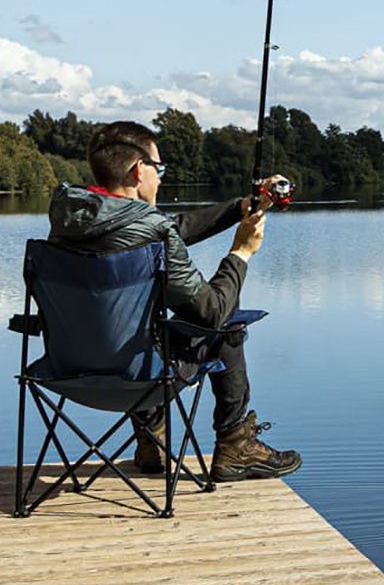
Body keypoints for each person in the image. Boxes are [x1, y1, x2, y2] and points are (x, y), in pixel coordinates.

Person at [46, 119, 301, 481]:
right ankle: (235, 444)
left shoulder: (68, 219)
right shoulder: (149, 229)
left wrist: (239, 207)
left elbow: (169, 228)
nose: (161, 177)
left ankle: (153, 441)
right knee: (227, 327)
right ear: (138, 171)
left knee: (135, 326)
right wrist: (240, 253)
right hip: (141, 377)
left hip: (66, 371)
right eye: (158, 167)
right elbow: (210, 312)